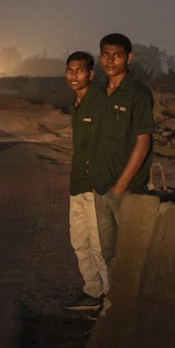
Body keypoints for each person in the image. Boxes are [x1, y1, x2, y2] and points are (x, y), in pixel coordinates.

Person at [92, 33, 154, 279]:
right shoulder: (98, 92)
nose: (110, 61)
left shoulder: (138, 93)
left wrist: (120, 187)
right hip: (100, 186)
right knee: (109, 253)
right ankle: (115, 306)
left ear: (129, 57)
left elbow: (143, 142)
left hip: (127, 189)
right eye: (106, 55)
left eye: (116, 55)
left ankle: (133, 308)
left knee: (131, 253)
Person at [63, 51, 107, 312]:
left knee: (99, 245)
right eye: (70, 70)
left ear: (91, 74)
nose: (73, 76)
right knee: (79, 241)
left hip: (96, 184)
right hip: (77, 183)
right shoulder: (75, 102)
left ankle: (109, 297)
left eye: (79, 71)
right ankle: (92, 291)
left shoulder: (99, 101)